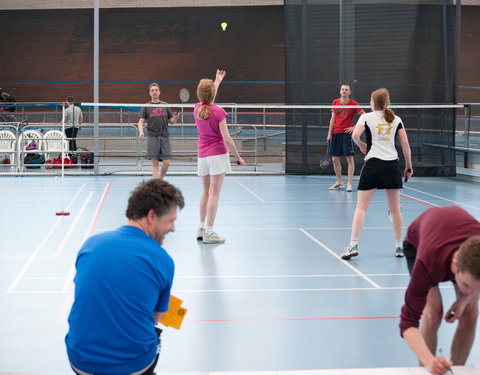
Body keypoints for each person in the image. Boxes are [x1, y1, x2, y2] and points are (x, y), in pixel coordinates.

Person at [65, 179, 185, 375]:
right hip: (133, 364)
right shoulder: (162, 259)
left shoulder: (91, 244)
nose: (173, 229)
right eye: (171, 221)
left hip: (80, 359)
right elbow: (156, 317)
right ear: (152, 215)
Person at [399, 205, 480, 375]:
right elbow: (407, 323)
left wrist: (464, 300)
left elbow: (472, 289)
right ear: (456, 263)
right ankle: (429, 369)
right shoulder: (427, 263)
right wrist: (430, 361)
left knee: (471, 313)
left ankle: (456, 370)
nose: (472, 292)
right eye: (466, 286)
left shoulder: (471, 271)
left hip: (454, 238)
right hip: (419, 241)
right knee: (433, 313)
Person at [341, 88, 413, 260]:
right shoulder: (396, 119)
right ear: (387, 102)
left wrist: (361, 145)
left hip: (372, 165)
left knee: (361, 207)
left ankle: (353, 245)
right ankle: (398, 247)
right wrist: (408, 167)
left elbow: (355, 135)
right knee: (395, 209)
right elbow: (405, 144)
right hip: (392, 167)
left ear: (373, 102)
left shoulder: (366, 117)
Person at [194, 69, 244, 244]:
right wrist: (238, 156)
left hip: (202, 157)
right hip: (217, 156)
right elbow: (227, 139)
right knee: (215, 194)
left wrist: (217, 81)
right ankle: (209, 232)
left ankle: (201, 228)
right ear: (213, 94)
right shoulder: (219, 112)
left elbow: (208, 98)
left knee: (206, 192)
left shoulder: (197, 109)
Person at [327, 83, 364, 192]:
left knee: (350, 159)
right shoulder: (335, 102)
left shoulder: (353, 104)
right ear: (340, 91)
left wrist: (355, 127)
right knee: (334, 159)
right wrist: (329, 133)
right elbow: (332, 119)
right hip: (335, 133)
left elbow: (364, 116)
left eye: (346, 89)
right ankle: (339, 182)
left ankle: (349, 183)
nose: (344, 91)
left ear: (349, 92)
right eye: (342, 89)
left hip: (347, 135)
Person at [138, 83, 179, 179]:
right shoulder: (146, 106)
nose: (154, 91)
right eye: (152, 90)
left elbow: (172, 121)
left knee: (167, 163)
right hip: (152, 137)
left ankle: (159, 180)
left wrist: (176, 118)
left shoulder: (165, 105)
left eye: (156, 90)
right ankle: (158, 184)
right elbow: (140, 122)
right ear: (149, 93)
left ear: (159, 92)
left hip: (165, 137)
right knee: (155, 163)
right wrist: (141, 131)